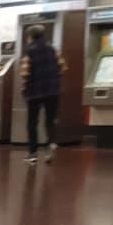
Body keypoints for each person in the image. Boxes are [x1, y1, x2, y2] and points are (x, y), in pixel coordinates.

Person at [21, 24, 65, 166]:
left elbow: (25, 73)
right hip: (52, 90)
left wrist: (24, 88)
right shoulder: (53, 49)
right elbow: (63, 67)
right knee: (50, 120)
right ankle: (51, 144)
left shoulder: (30, 52)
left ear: (30, 37)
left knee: (32, 122)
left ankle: (33, 155)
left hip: (34, 92)